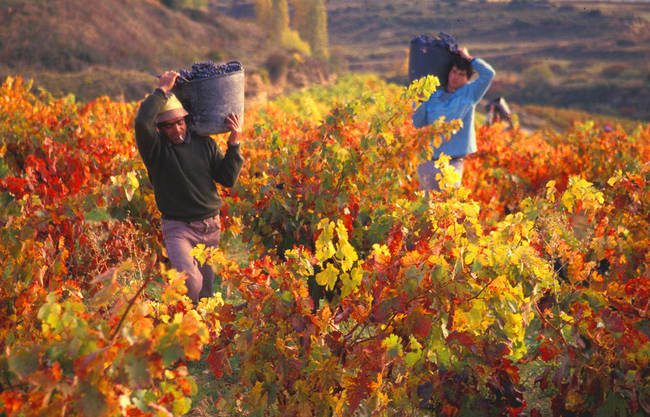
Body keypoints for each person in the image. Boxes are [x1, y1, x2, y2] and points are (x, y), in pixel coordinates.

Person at [134, 70, 244, 304]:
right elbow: (142, 122)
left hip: (211, 226)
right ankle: (180, 328)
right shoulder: (156, 151)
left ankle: (200, 336)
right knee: (189, 282)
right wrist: (162, 90)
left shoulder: (204, 144)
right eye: (168, 126)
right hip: (178, 229)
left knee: (205, 292)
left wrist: (234, 145)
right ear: (159, 129)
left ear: (187, 120)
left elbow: (226, 179)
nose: (176, 130)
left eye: (180, 123)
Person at [412, 47, 495, 192]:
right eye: (453, 72)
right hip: (428, 162)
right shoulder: (432, 95)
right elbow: (418, 123)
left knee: (447, 206)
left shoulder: (470, 92)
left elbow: (489, 74)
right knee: (426, 208)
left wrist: (469, 58)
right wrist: (417, 100)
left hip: (453, 162)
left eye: (461, 74)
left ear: (467, 78)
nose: (455, 77)